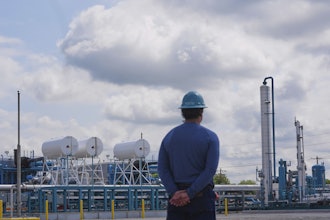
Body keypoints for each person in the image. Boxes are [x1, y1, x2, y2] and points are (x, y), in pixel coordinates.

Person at [158, 91, 220, 220]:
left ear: (182, 112)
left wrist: (174, 192)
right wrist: (190, 193)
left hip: (176, 200)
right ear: (201, 113)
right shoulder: (210, 138)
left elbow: (162, 169)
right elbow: (210, 170)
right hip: (202, 198)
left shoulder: (169, 137)